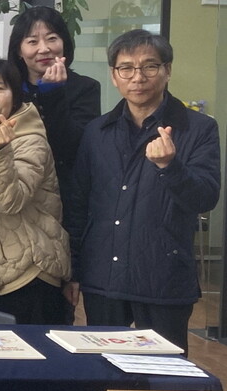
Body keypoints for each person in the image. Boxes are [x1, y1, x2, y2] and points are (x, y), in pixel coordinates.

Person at [65, 30, 220, 354]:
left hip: (163, 279)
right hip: (103, 277)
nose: (138, 77)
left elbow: (206, 197)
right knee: (102, 374)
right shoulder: (97, 132)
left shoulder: (199, 128)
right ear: (114, 75)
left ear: (167, 70)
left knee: (164, 380)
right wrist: (75, 271)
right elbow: (79, 205)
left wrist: (170, 166)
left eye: (150, 66)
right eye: (127, 68)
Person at [0, 57, 69, 324]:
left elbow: (9, 201)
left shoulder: (29, 139)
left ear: (15, 93)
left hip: (29, 272)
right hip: (0, 269)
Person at [5, 6, 100, 214]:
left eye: (52, 38)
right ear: (19, 51)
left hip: (65, 198)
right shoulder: (8, 90)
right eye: (32, 41)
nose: (44, 48)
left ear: (64, 43)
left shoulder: (86, 88)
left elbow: (73, 147)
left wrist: (51, 93)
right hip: (16, 193)